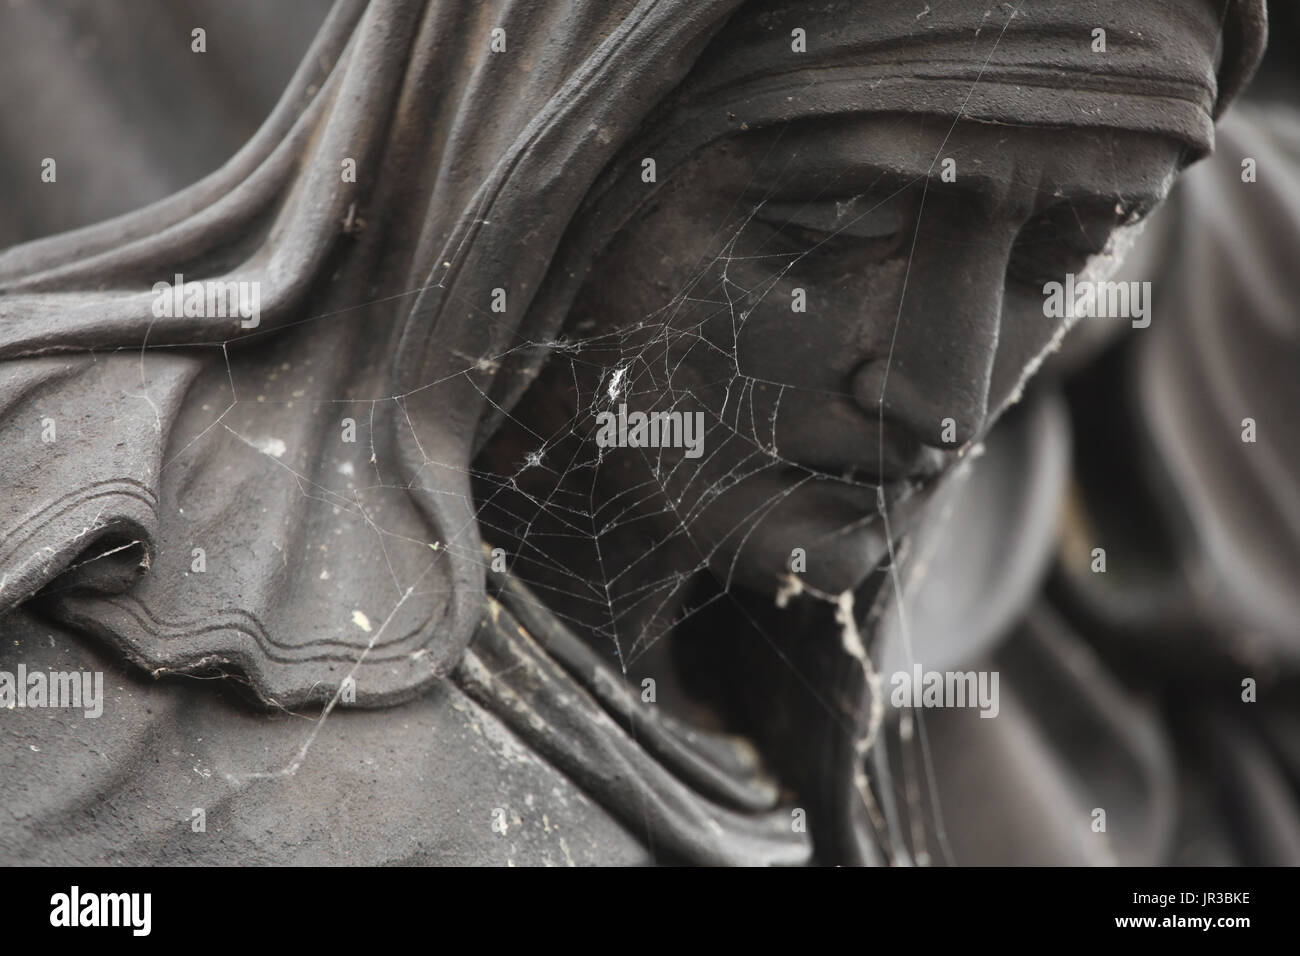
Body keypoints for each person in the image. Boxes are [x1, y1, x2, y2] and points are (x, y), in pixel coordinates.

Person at [0, 0, 1270, 865]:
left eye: (1063, 256)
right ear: (529, 174)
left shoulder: (765, 689)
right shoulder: (112, 674)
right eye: (827, 233)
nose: (941, 395)